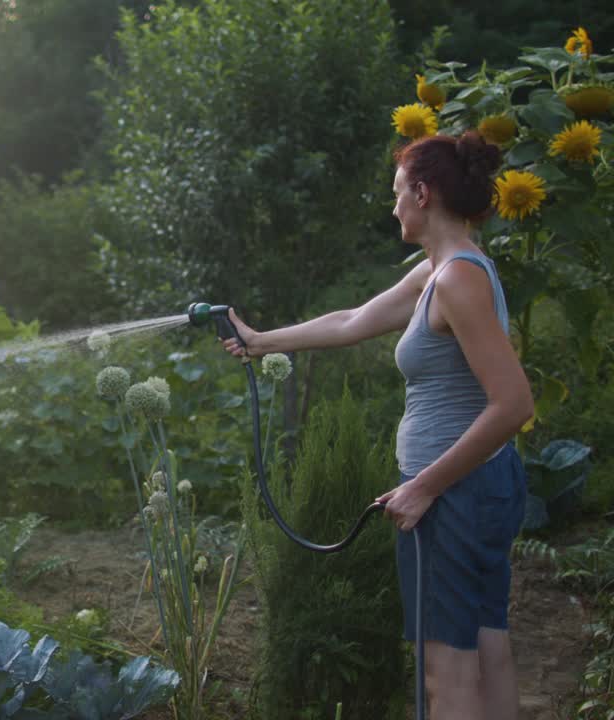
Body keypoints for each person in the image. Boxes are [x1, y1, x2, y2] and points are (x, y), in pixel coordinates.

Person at [219, 130, 534, 720]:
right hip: (478, 489)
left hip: (455, 497)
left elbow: (513, 404)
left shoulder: (457, 278)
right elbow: (352, 320)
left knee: (448, 679)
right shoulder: (441, 270)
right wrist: (261, 341)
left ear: (422, 193)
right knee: (489, 655)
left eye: (396, 194)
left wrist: (424, 487)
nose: (391, 207)